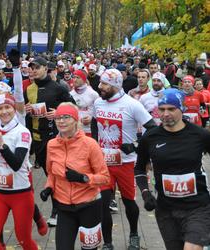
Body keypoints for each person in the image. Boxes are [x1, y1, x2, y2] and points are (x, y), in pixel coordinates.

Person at [135, 88, 210, 250]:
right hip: (166, 210)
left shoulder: (200, 135)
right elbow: (140, 169)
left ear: (181, 109)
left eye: (171, 109)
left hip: (198, 207)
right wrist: (145, 193)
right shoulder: (150, 138)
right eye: (161, 109)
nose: (165, 114)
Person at [92, 69, 155, 250]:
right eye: (101, 83)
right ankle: (108, 243)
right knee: (103, 203)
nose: (100, 86)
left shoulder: (132, 104)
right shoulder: (98, 102)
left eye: (104, 84)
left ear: (115, 85)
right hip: (104, 163)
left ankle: (134, 234)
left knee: (129, 202)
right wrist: (95, 144)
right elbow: (95, 123)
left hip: (127, 163)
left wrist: (135, 144)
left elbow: (152, 128)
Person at [40, 103, 110, 250]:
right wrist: (48, 188)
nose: (61, 121)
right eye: (58, 117)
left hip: (89, 205)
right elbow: (52, 173)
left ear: (75, 120)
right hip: (64, 207)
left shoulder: (90, 144)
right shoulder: (52, 145)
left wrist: (83, 178)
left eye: (66, 117)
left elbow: (104, 177)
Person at [0, 93, 38, 250]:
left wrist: (2, 145)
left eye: (8, 107)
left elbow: (17, 163)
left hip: (20, 194)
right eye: (0, 109)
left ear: (14, 109)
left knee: (24, 240)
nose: (4, 112)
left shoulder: (23, 132)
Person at [24, 56, 75, 226]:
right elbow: (27, 115)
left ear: (46, 68)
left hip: (56, 138)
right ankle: (61, 206)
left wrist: (58, 113)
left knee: (55, 174)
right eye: (31, 67)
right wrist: (27, 110)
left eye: (37, 67)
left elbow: (73, 108)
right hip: (37, 137)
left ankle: (57, 210)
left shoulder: (58, 88)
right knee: (49, 174)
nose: (33, 70)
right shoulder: (29, 89)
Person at [70, 70, 99, 137]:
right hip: (75, 130)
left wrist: (92, 119)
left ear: (84, 79)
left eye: (78, 77)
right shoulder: (70, 94)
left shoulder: (93, 94)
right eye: (73, 77)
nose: (75, 80)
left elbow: (99, 111)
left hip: (89, 130)